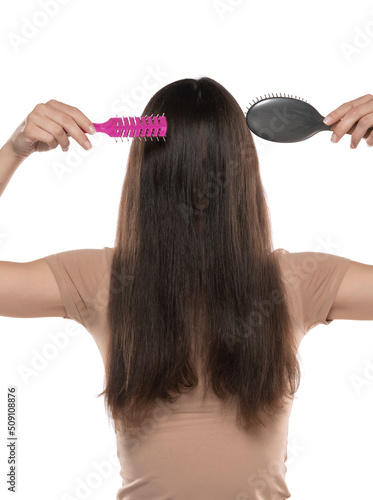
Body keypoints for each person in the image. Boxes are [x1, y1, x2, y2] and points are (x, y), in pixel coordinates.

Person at [1, 77, 372, 500]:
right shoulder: (102, 277)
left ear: (145, 172)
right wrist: (14, 149)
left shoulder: (297, 280)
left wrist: (14, 152)